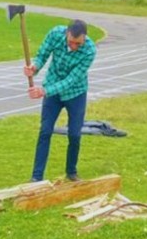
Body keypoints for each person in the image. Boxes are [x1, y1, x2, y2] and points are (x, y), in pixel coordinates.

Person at [25, 20, 97, 182]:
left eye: (78, 44)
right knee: (45, 131)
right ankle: (37, 177)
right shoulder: (55, 33)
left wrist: (44, 91)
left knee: (74, 134)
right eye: (71, 42)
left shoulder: (90, 50)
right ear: (66, 34)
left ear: (85, 38)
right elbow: (42, 55)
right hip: (52, 89)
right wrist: (34, 68)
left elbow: (71, 79)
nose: (73, 46)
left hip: (75, 93)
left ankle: (71, 171)